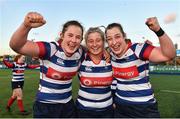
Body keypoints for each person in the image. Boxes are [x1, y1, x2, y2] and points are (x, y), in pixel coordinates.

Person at [9, 12, 84, 118]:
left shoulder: (80, 52)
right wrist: (26, 26)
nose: (73, 40)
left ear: (81, 40)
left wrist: (105, 52)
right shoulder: (50, 49)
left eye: (78, 37)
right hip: (45, 107)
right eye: (70, 35)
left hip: (68, 106)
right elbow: (17, 46)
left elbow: (96, 50)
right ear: (61, 35)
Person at [105, 17, 176, 118]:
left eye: (117, 37)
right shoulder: (111, 55)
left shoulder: (138, 49)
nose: (114, 42)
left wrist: (158, 30)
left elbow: (169, 55)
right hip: (120, 108)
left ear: (124, 36)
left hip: (144, 108)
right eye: (109, 39)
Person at [76, 27, 114, 118]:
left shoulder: (112, 59)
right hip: (83, 110)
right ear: (86, 43)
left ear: (103, 41)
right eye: (90, 41)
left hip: (107, 111)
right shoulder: (80, 57)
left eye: (98, 40)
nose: (94, 44)